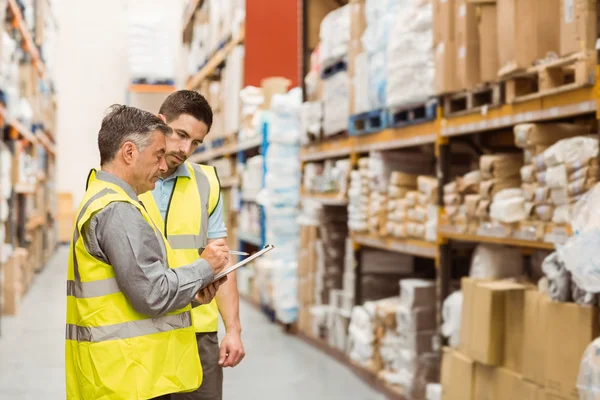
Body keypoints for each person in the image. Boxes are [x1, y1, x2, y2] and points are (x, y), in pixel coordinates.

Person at [65, 104, 231, 400]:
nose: (164, 166)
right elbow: (151, 294)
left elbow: (129, 289)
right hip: (126, 377)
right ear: (129, 153)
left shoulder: (101, 196)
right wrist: (205, 267)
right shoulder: (119, 211)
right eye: (157, 155)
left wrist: (192, 295)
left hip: (115, 371)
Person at [138, 90, 245, 400]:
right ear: (161, 123)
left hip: (196, 333)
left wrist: (234, 330)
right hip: (142, 332)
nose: (185, 149)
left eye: (195, 143)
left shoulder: (205, 182)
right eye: (180, 135)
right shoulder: (129, 179)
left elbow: (221, 261)